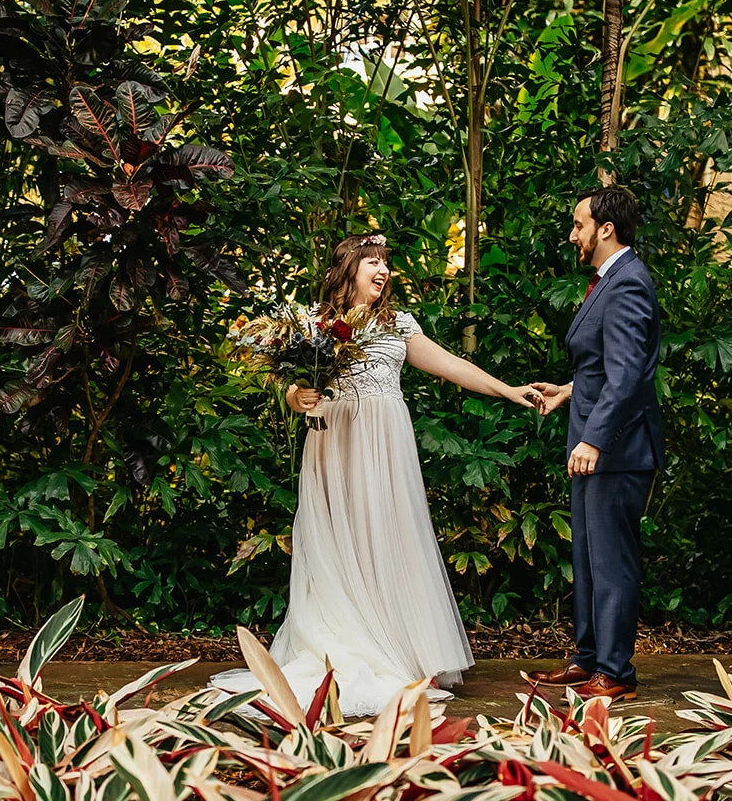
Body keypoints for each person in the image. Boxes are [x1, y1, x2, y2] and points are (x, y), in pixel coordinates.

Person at [213, 233, 539, 717]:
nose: (383, 271)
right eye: (373, 261)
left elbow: (451, 365)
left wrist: (507, 390)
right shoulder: (312, 324)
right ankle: (340, 642)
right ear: (347, 268)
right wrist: (295, 398)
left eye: (386, 263)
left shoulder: (398, 324)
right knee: (336, 540)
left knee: (388, 537)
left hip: (385, 447)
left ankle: (399, 649)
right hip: (334, 442)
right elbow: (293, 387)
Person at [529, 187, 664, 701]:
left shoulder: (628, 283)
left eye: (579, 224)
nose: (573, 234)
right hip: (594, 441)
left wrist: (594, 440)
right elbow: (605, 366)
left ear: (606, 228)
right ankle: (588, 661)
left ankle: (616, 671)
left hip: (616, 449)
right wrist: (567, 392)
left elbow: (628, 375)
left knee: (611, 561)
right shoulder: (609, 281)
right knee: (588, 558)